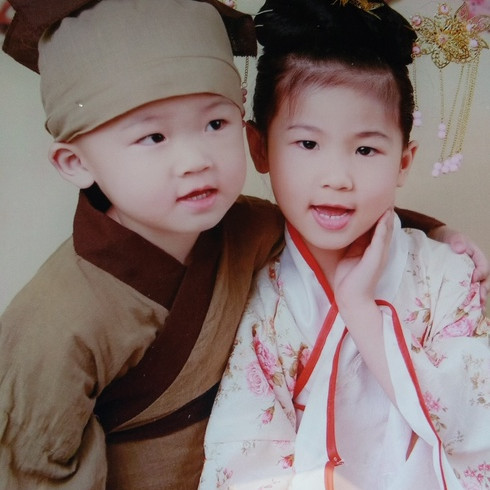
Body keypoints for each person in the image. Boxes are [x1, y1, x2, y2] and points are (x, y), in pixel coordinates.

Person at [0, 1, 487, 489]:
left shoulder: (250, 229)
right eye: (153, 136)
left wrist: (437, 234)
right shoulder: (55, 321)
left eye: (215, 124)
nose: (196, 160)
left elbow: (333, 217)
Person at [199, 1, 490, 489]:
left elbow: (476, 425)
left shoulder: (448, 276)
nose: (337, 178)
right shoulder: (262, 298)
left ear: (403, 161)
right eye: (308, 144)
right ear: (259, 148)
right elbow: (242, 463)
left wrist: (361, 311)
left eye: (366, 149)